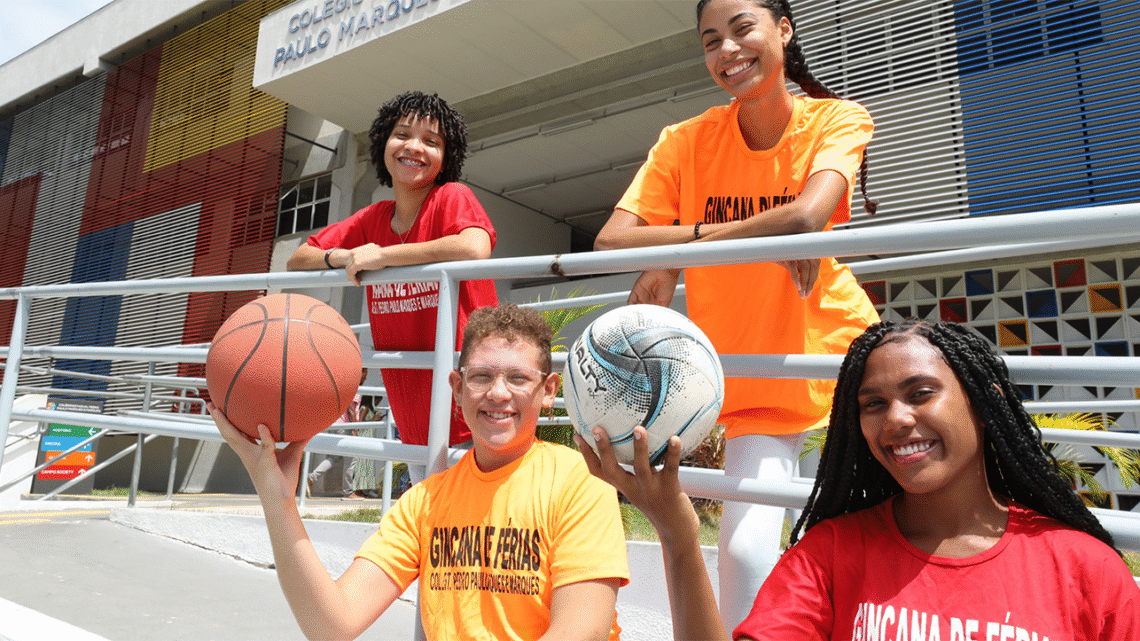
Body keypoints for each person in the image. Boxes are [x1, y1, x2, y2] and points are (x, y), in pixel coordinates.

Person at [592, 0, 879, 627]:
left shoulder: (837, 118)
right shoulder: (686, 140)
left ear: (784, 30)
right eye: (710, 40)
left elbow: (808, 215)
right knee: (745, 556)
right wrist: (707, 243)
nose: (727, 49)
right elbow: (612, 240)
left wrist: (672, 249)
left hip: (843, 363)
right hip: (754, 377)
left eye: (742, 29)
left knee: (858, 556)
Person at [579, 320, 1140, 641]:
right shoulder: (830, 556)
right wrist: (678, 534)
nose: (896, 419)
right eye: (874, 404)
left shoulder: (1085, 569)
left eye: (921, 393)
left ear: (984, 401)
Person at [209, 303, 629, 641]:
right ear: (457, 388)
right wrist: (277, 498)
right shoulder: (426, 501)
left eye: (518, 378)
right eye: (481, 376)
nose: (498, 392)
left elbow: (582, 631)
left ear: (548, 391)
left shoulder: (579, 482)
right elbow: (332, 625)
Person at [288, 91, 498, 484]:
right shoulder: (373, 217)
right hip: (412, 415)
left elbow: (474, 247)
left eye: (431, 141)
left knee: (481, 519)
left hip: (471, 408)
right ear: (383, 142)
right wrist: (346, 257)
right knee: (432, 517)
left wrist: (383, 256)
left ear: (446, 157)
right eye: (402, 134)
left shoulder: (451, 197)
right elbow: (299, 257)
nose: (414, 147)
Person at [307, 369, 368, 499]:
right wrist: (355, 429)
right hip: (346, 426)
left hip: (338, 424)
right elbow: (351, 410)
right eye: (365, 373)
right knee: (351, 459)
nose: (366, 377)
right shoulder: (354, 388)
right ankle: (347, 492)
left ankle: (312, 477)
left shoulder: (347, 386)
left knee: (336, 457)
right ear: (359, 373)